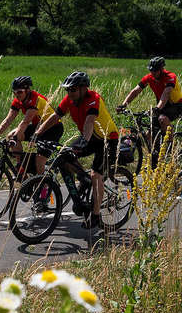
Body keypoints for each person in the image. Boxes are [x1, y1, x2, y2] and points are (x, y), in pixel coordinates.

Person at [33, 71, 119, 231]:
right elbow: (55, 116)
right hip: (89, 138)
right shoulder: (69, 100)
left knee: (96, 175)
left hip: (107, 139)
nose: (69, 93)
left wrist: (84, 142)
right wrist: (39, 132)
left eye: (72, 90)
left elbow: (89, 122)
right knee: (64, 157)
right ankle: (83, 179)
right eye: (68, 90)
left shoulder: (93, 99)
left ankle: (95, 215)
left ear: (83, 89)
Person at [0, 75, 63, 176]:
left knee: (39, 160)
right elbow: (8, 119)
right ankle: (21, 167)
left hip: (53, 128)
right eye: (14, 92)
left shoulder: (35, 99)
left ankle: (42, 185)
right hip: (38, 127)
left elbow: (25, 122)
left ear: (27, 90)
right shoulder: (18, 101)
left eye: (20, 92)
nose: (17, 95)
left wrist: (15, 137)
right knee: (11, 136)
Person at [117, 56, 182, 157]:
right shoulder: (149, 78)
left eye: (155, 71)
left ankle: (170, 147)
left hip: (176, 105)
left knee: (162, 118)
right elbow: (135, 91)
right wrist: (123, 105)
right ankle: (154, 155)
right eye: (151, 70)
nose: (153, 73)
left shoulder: (170, 76)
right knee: (150, 132)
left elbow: (166, 93)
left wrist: (157, 108)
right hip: (162, 106)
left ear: (162, 69)